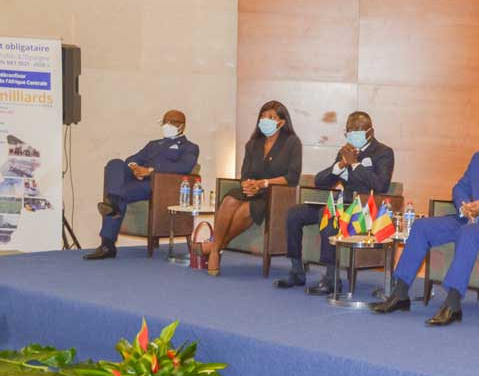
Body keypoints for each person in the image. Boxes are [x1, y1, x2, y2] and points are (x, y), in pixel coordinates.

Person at [374, 113, 479, 326]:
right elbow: (460, 187)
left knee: (468, 234)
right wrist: (464, 206)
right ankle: (400, 294)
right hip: (467, 218)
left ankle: (453, 304)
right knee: (421, 226)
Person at [274, 111, 394, 293]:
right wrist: (340, 166)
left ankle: (332, 279)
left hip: (363, 209)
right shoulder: (345, 152)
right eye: (349, 131)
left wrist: (355, 164)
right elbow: (320, 181)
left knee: (328, 215)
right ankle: (297, 271)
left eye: (358, 130)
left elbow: (381, 185)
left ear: (370, 132)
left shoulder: (384, 152)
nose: (353, 134)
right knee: (295, 213)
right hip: (341, 204)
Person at [201, 101, 302, 276]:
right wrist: (248, 185)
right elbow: (245, 173)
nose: (265, 120)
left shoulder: (292, 143)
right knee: (229, 200)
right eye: (263, 116)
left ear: (281, 122)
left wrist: (262, 184)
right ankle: (216, 249)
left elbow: (292, 177)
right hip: (251, 189)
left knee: (246, 209)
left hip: (273, 194)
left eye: (271, 117)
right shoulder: (253, 143)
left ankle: (215, 248)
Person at [83, 110, 199, 260]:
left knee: (117, 195)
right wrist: (135, 168)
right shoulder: (153, 144)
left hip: (159, 186)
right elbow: (132, 158)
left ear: (181, 126)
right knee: (115, 163)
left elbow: (184, 167)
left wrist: (150, 171)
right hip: (137, 181)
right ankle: (113, 203)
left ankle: (107, 244)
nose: (167, 125)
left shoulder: (190, 147)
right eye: (165, 121)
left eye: (172, 122)